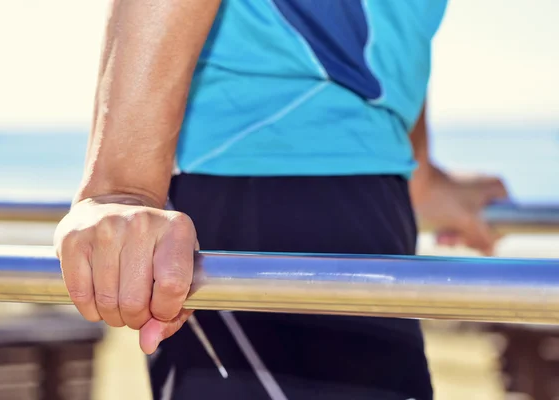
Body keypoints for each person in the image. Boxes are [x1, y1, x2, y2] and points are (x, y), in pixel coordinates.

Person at [54, 1, 508, 398]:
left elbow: (385, 35)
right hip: (247, 178)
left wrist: (420, 176)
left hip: (372, 188)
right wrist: (123, 186)